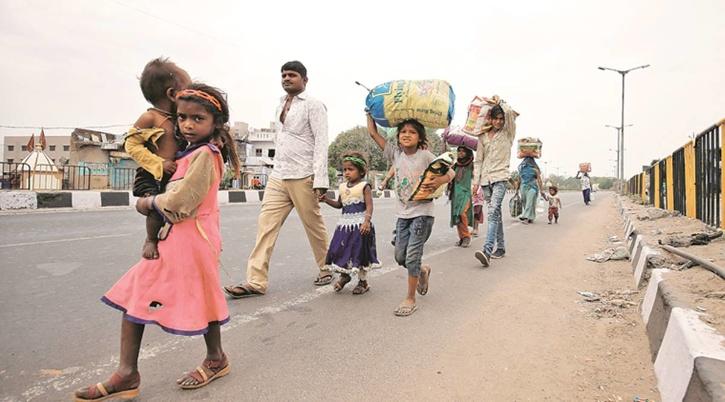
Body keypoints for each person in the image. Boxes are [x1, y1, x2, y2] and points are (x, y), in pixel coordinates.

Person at [74, 84, 240, 401]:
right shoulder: (185, 153)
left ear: (215, 123)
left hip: (195, 240)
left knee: (200, 297)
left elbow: (182, 202)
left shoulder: (207, 155)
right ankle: (127, 372)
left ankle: (214, 359)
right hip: (177, 240)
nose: (188, 124)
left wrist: (148, 204)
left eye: (198, 118)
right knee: (139, 293)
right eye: (182, 118)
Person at [224, 61, 331, 298]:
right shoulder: (280, 104)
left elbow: (321, 142)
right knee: (266, 226)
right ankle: (255, 281)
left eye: (292, 75)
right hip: (278, 174)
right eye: (283, 75)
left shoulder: (314, 105)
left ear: (304, 80)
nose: (286, 79)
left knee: (313, 226)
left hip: (303, 175)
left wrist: (320, 179)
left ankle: (328, 267)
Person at [366, 113, 454, 317]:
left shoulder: (425, 156)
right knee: (400, 256)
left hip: (423, 213)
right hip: (403, 214)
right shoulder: (395, 154)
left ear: (420, 137)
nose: (407, 135)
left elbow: (450, 172)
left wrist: (440, 181)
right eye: (403, 132)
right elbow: (372, 133)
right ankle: (422, 270)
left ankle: (410, 298)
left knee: (412, 256)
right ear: (397, 137)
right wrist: (369, 114)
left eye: (412, 132)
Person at [124, 57, 191, 259]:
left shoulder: (180, 120)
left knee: (172, 207)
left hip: (172, 174)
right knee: (155, 207)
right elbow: (131, 144)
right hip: (151, 173)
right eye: (188, 91)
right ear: (172, 94)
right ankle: (150, 239)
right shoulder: (150, 118)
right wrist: (158, 163)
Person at [319, 152, 381, 295]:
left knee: (359, 253)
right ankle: (345, 276)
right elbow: (340, 205)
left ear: (361, 171)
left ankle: (363, 282)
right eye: (345, 169)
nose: (346, 172)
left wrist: (367, 221)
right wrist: (326, 200)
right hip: (344, 227)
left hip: (360, 226)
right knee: (340, 250)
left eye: (350, 169)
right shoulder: (342, 187)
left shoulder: (365, 186)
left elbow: (370, 206)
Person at [471, 97, 518, 267]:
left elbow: (511, 115)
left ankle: (487, 251)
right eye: (495, 118)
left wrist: (500, 101)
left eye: (501, 119)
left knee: (492, 213)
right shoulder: (483, 136)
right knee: (495, 214)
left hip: (500, 178)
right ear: (490, 119)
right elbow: (478, 160)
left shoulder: (508, 133)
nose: (498, 122)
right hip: (485, 180)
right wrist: (476, 182)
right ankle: (501, 248)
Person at [449, 146, 474, 247]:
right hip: (456, 194)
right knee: (456, 215)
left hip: (466, 193)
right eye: (459, 151)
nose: (460, 153)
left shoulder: (471, 165)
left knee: (461, 213)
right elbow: (449, 177)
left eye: (463, 151)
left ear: (468, 153)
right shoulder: (455, 165)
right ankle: (462, 237)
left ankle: (466, 236)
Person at [517, 156, 545, 224]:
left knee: (529, 202)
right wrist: (516, 190)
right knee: (525, 202)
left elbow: (539, 180)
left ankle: (525, 217)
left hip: (532, 187)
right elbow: (519, 180)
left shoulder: (535, 170)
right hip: (523, 187)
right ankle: (531, 217)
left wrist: (541, 190)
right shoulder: (522, 169)